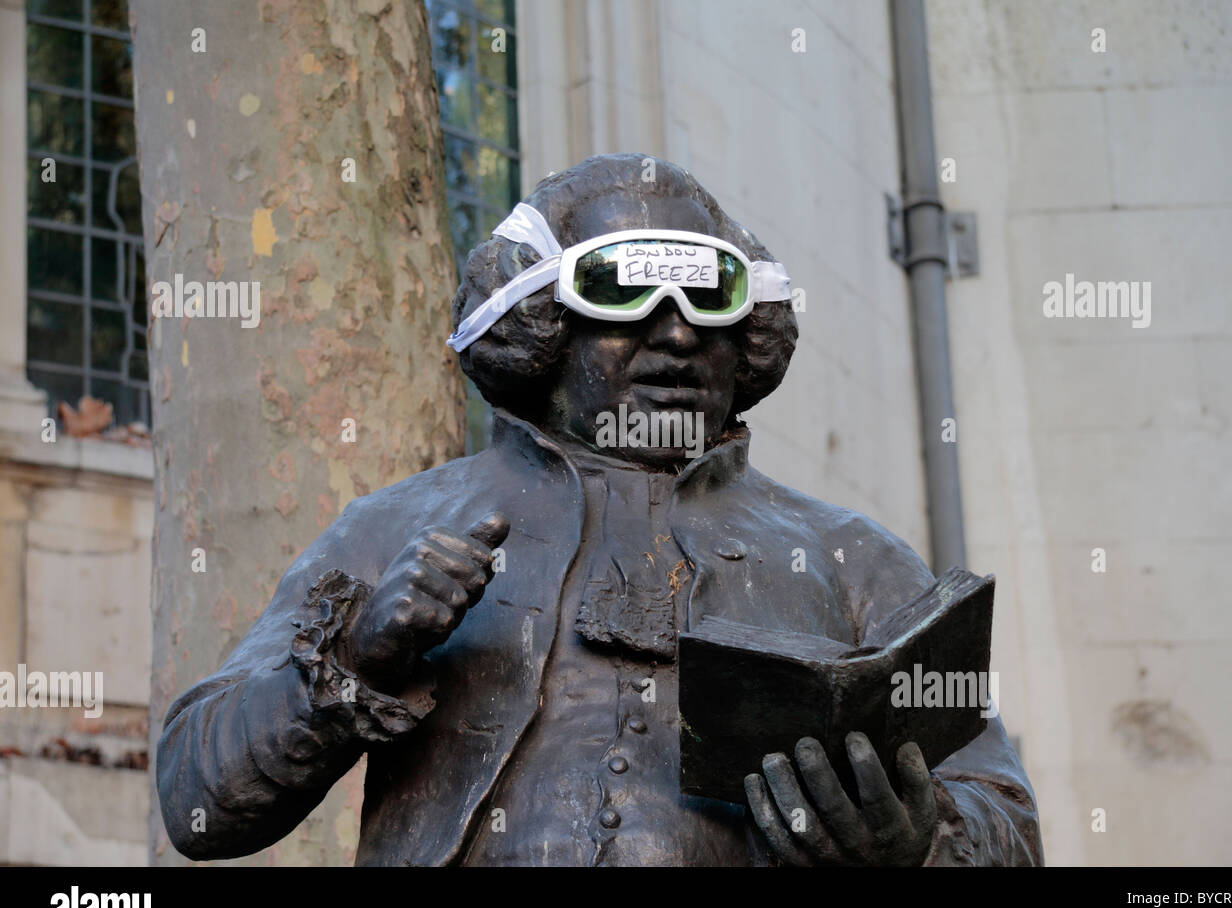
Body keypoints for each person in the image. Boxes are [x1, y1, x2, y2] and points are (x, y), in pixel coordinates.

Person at [157, 153, 1043, 866]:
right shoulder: (394, 525)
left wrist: (918, 844)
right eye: (624, 293)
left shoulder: (851, 555)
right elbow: (197, 802)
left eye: (711, 299)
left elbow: (1006, 821)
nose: (679, 332)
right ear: (541, 324)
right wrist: (358, 658)